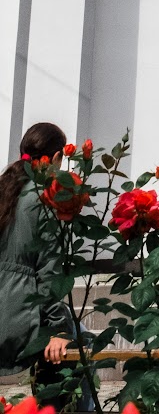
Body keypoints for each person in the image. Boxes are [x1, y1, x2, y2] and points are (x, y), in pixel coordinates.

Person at [0, 123, 73, 386]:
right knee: (76, 343)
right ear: (56, 158)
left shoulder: (4, 190)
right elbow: (50, 272)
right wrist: (59, 329)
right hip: (18, 323)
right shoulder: (44, 200)